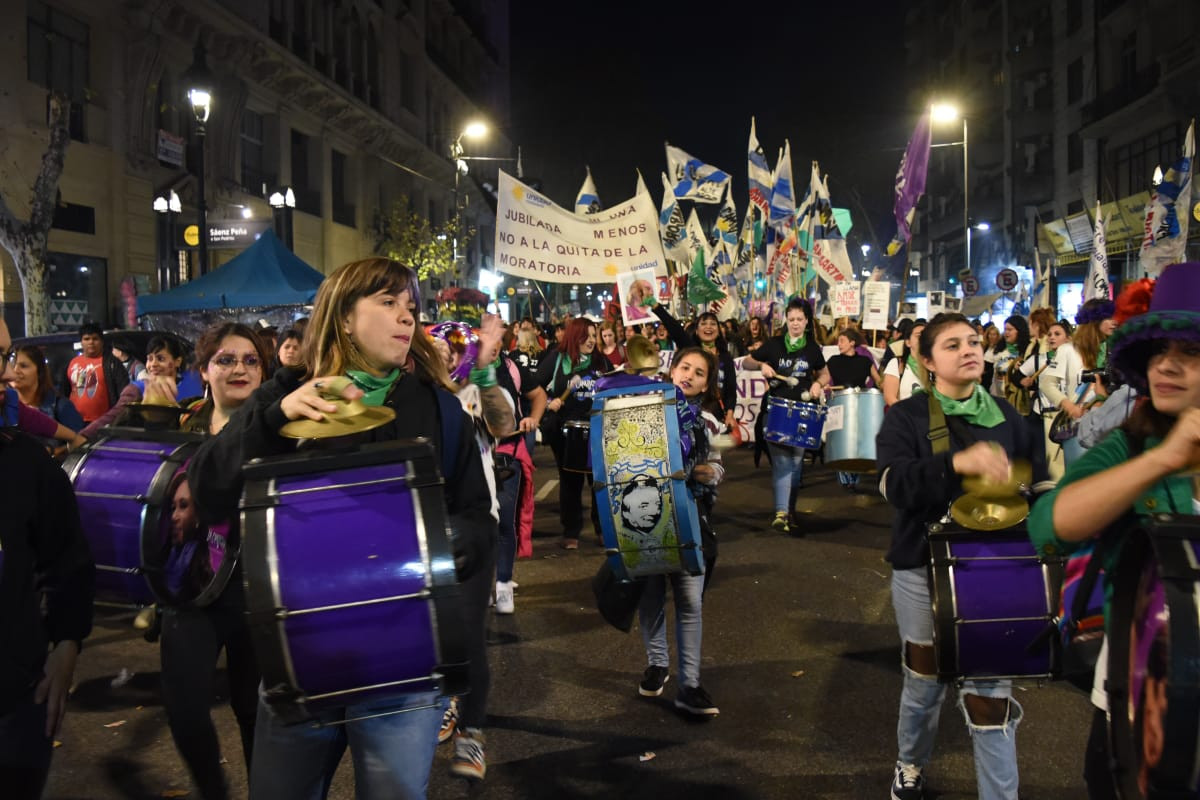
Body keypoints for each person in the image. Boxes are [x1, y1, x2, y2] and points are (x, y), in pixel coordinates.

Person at [188, 258, 495, 800]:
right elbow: (207, 488)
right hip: (300, 661)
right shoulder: (287, 393)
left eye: (411, 307)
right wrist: (273, 419)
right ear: (345, 318)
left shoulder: (440, 410)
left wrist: (450, 541)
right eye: (388, 302)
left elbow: (478, 517)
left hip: (403, 667)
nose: (407, 317)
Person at [1027, 262, 1200, 800]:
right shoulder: (1130, 445)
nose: (1167, 364)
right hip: (1138, 713)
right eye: (1158, 351)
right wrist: (1161, 460)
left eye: (1190, 351)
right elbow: (1049, 528)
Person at [877, 312, 1045, 800]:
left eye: (973, 341)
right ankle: (910, 762)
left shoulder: (1009, 417)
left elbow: (1040, 481)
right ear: (927, 362)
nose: (969, 350)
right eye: (952, 345)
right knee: (924, 680)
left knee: (990, 694)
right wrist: (955, 463)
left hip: (995, 570)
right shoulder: (907, 417)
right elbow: (892, 484)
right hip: (920, 568)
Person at [156, 322, 270, 800]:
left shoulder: (284, 430)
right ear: (204, 370)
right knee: (184, 709)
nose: (239, 368)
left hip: (259, 592)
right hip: (193, 589)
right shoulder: (181, 427)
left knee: (255, 712)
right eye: (225, 359)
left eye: (250, 360)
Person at [0, 328, 94, 800]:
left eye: (4, 356)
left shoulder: (27, 465)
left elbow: (67, 559)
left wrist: (66, 642)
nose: (5, 375)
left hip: (15, 701)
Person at [634, 346, 723, 716]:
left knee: (689, 602)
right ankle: (657, 664)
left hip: (689, 519)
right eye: (685, 367)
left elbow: (717, 467)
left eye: (699, 373)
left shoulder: (707, 422)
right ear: (672, 370)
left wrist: (708, 473)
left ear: (705, 385)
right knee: (651, 596)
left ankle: (690, 684)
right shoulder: (643, 410)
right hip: (646, 519)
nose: (689, 375)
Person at [742, 297, 830, 534]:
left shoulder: (812, 348)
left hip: (803, 413)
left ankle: (789, 511)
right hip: (777, 410)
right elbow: (747, 362)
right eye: (791, 319)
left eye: (799, 319)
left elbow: (824, 374)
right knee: (782, 462)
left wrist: (818, 384)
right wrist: (761, 366)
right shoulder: (774, 344)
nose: (795, 323)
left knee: (796, 465)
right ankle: (781, 513)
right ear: (786, 320)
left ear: (807, 321)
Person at [535, 317, 612, 549]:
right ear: (574, 336)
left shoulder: (601, 361)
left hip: (597, 428)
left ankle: (602, 528)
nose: (591, 340)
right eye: (585, 336)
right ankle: (571, 530)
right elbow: (534, 387)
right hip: (565, 430)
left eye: (593, 335)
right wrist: (549, 401)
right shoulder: (557, 358)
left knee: (599, 481)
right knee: (570, 481)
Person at [81, 335, 196, 437]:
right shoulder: (137, 389)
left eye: (160, 359)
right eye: (150, 359)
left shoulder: (194, 384)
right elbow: (112, 416)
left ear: (177, 361)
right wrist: (83, 436)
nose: (153, 364)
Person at [650, 303, 738, 431]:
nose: (708, 326)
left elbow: (731, 389)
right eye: (703, 323)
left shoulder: (726, 357)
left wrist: (730, 415)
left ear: (719, 331)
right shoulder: (691, 349)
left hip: (715, 413)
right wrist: (656, 307)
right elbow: (675, 329)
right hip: (688, 410)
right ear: (696, 331)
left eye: (713, 324)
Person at [1019, 320, 1084, 481]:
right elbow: (1022, 377)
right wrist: (1026, 382)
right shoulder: (1039, 359)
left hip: (1069, 416)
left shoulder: (1077, 354)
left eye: (1057, 334)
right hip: (1048, 416)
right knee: (1052, 465)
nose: (1052, 337)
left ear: (1068, 338)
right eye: (1049, 334)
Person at [825, 329, 883, 492]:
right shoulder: (833, 361)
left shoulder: (864, 361)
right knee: (840, 438)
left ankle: (854, 473)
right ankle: (844, 474)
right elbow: (824, 378)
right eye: (838, 341)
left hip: (860, 403)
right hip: (839, 402)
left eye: (842, 340)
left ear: (852, 343)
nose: (839, 344)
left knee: (857, 438)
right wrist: (823, 385)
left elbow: (879, 381)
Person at [7, 344, 84, 453]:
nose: (15, 370)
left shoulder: (61, 406)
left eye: (23, 366)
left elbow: (81, 443)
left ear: (39, 372)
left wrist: (54, 451)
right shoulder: (6, 406)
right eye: (12, 365)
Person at [63, 322, 130, 424]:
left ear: (102, 342)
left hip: (102, 422)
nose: (91, 342)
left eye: (95, 339)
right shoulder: (72, 363)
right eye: (86, 339)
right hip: (75, 422)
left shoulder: (112, 363)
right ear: (81, 342)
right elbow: (65, 391)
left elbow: (124, 392)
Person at [882, 320, 928, 406]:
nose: (923, 339)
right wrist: (907, 412)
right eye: (918, 335)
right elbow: (890, 397)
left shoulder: (934, 366)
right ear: (908, 342)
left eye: (926, 336)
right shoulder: (897, 364)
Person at [990, 315, 1030, 399]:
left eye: (1010, 330)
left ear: (1019, 331)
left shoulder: (1026, 351)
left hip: (1014, 397)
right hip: (996, 395)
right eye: (1005, 329)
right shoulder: (1000, 349)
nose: (1006, 333)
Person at [981, 323, 1003, 391]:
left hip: (991, 375)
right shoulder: (986, 346)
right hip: (982, 375)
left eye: (994, 334)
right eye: (990, 334)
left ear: (997, 336)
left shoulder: (1000, 348)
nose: (991, 336)